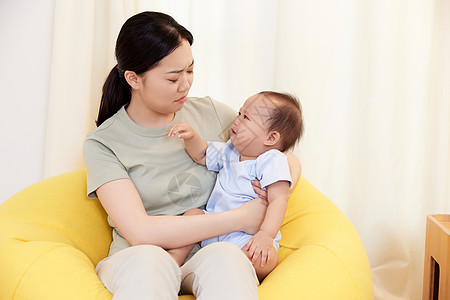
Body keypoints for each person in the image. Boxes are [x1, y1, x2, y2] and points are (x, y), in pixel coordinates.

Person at [83, 11, 301, 299]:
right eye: (174, 77)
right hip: (139, 256)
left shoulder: (211, 113)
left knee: (227, 258)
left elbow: (282, 153)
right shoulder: (104, 143)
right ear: (133, 79)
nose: (186, 85)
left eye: (190, 70)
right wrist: (241, 218)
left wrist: (274, 191)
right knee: (148, 263)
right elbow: (140, 232)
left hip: (207, 252)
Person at [168, 91, 304, 281]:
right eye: (240, 113)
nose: (237, 120)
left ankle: (237, 275)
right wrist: (191, 137)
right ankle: (174, 261)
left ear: (271, 138)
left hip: (247, 237)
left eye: (246, 117)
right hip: (213, 226)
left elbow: (279, 200)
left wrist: (266, 235)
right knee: (192, 215)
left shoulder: (271, 160)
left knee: (266, 259)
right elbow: (202, 155)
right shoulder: (230, 150)